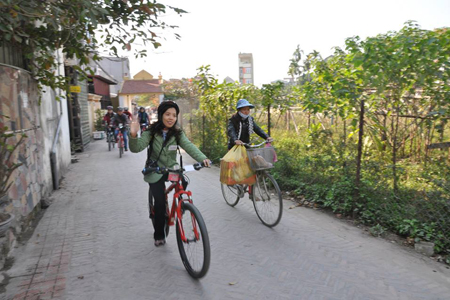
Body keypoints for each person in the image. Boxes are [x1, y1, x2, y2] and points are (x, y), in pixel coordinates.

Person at [129, 101, 210, 247]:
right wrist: (134, 134)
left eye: (174, 115)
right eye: (167, 114)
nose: (171, 118)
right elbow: (136, 148)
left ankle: (180, 207)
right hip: (155, 170)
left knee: (183, 183)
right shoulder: (151, 132)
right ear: (161, 115)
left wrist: (203, 158)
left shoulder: (178, 133)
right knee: (159, 204)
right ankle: (159, 234)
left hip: (171, 168)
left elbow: (189, 146)